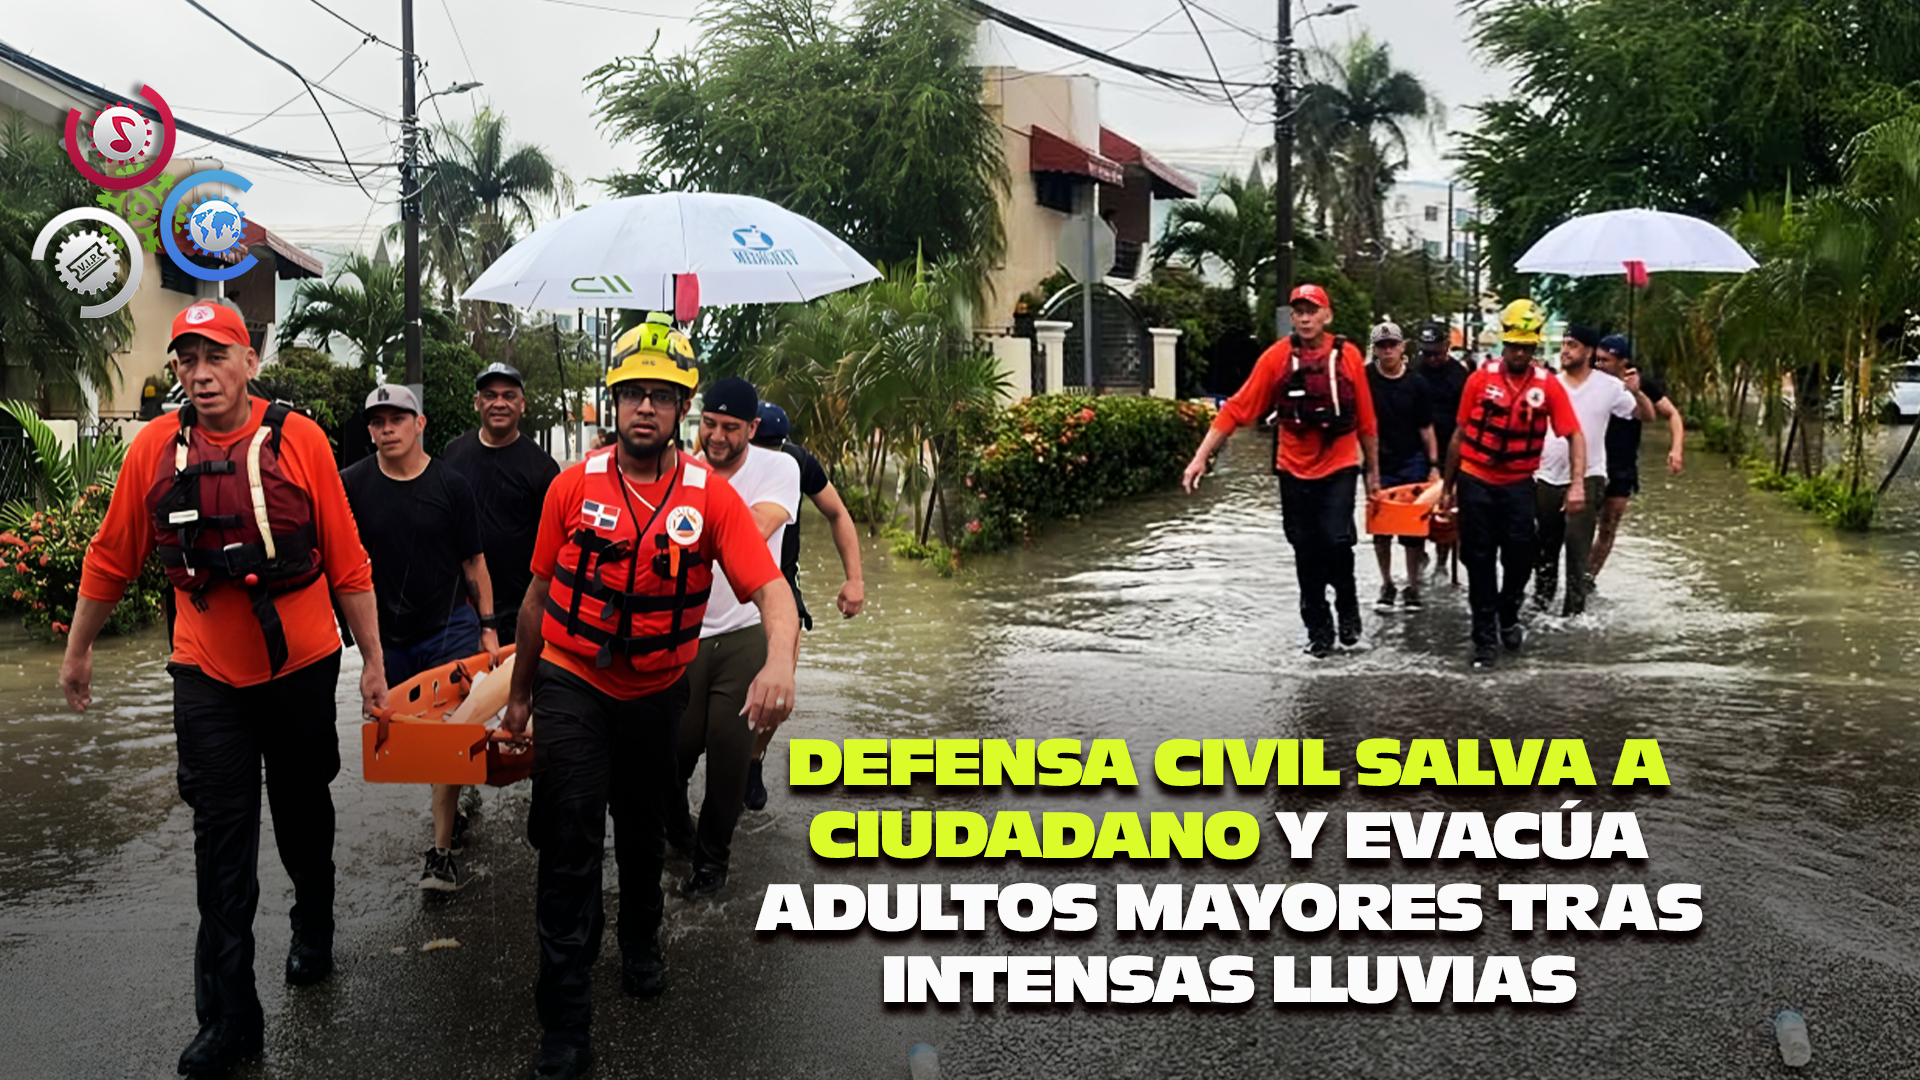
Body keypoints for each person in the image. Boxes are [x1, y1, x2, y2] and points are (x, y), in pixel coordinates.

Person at [57, 299, 387, 1077]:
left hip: (302, 667)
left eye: (216, 358)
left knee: (304, 811)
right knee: (221, 844)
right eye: (186, 362)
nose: (200, 376)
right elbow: (111, 557)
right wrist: (78, 651)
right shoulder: (153, 453)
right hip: (206, 672)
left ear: (249, 361)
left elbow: (347, 559)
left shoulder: (298, 438)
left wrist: (372, 660)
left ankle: (314, 919)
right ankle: (229, 1015)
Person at [499, 314, 796, 1080]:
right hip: (572, 679)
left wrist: (781, 665)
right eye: (632, 393)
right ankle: (564, 1028)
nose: (644, 408)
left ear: (682, 410)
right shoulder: (572, 485)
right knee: (568, 844)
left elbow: (772, 593)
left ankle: (640, 938)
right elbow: (534, 600)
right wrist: (521, 697)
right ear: (614, 400)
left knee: (640, 835)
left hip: (658, 689)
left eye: (661, 396)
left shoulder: (714, 499)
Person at [341, 384, 499, 892]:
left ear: (419, 423)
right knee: (403, 735)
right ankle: (456, 799)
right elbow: (334, 561)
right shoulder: (352, 486)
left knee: (447, 736)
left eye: (396, 419)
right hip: (387, 635)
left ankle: (440, 852)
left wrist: (488, 628)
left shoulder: (452, 486)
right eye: (376, 421)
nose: (386, 429)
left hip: (448, 626)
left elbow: (474, 563)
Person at [1182, 283, 1381, 656]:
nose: (1305, 318)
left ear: (1327, 316)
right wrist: (1200, 457)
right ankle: (1318, 631)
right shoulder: (1276, 358)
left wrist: (1373, 474)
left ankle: (1348, 608)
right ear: (1293, 318)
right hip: (1294, 469)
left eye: (1312, 310)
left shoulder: (1349, 356)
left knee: (1338, 542)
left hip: (1340, 466)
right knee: (1305, 550)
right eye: (1299, 312)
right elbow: (1236, 409)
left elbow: (1367, 420)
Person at [669, 377, 800, 896]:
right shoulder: (676, 468)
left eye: (729, 427)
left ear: (752, 428)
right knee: (672, 752)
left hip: (746, 629)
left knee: (728, 750)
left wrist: (699, 483)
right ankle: (676, 832)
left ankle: (711, 863)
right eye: (709, 424)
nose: (716, 437)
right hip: (684, 630)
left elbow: (751, 529)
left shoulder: (778, 467)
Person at [1441, 299, 1585, 669]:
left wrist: (1577, 484)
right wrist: (1446, 487)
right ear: (1504, 344)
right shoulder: (1479, 379)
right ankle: (1484, 640)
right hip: (1476, 480)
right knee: (1479, 560)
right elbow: (1459, 435)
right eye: (1514, 346)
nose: (1520, 353)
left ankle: (1508, 611)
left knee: (1522, 557)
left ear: (1535, 347)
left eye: (1527, 347)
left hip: (1520, 483)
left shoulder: (1547, 386)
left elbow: (1574, 435)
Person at [742, 400, 865, 810]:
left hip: (779, 582)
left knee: (779, 688)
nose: (770, 455)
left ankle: (753, 760)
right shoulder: (721, 461)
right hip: (723, 579)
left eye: (776, 445)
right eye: (763, 445)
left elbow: (837, 513)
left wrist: (855, 579)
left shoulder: (797, 462)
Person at [1531, 328, 1653, 617]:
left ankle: (1573, 617)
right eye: (1563, 345)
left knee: (1577, 550)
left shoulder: (1609, 386)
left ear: (1588, 351)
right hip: (1546, 476)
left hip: (1589, 476)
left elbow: (1646, 416)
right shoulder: (1550, 384)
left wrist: (1637, 393)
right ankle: (1539, 609)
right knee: (1545, 552)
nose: (1564, 351)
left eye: (1571, 346)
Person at [442, 362, 562, 646]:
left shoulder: (542, 469)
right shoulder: (453, 453)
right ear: (476, 402)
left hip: (519, 612)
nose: (499, 403)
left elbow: (555, 547)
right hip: (460, 611)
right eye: (490, 395)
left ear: (522, 405)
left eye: (509, 396)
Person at [1590, 334, 1686, 578]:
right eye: (1597, 359)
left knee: (1609, 527)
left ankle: (1587, 577)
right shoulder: (1589, 379)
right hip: (1590, 461)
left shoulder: (1639, 383)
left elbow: (1671, 414)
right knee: (1579, 524)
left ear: (1623, 362)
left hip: (1622, 464)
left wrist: (1676, 449)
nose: (1600, 365)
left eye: (1607, 361)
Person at [1364, 320, 1439, 611]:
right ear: (1375, 349)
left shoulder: (1417, 383)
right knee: (1380, 527)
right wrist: (1368, 470)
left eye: (1392, 345)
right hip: (1378, 463)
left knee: (1412, 528)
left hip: (1412, 461)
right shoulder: (1365, 379)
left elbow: (1426, 427)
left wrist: (1433, 466)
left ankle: (1413, 586)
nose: (1388, 351)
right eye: (1382, 346)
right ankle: (1387, 583)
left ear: (1402, 347)